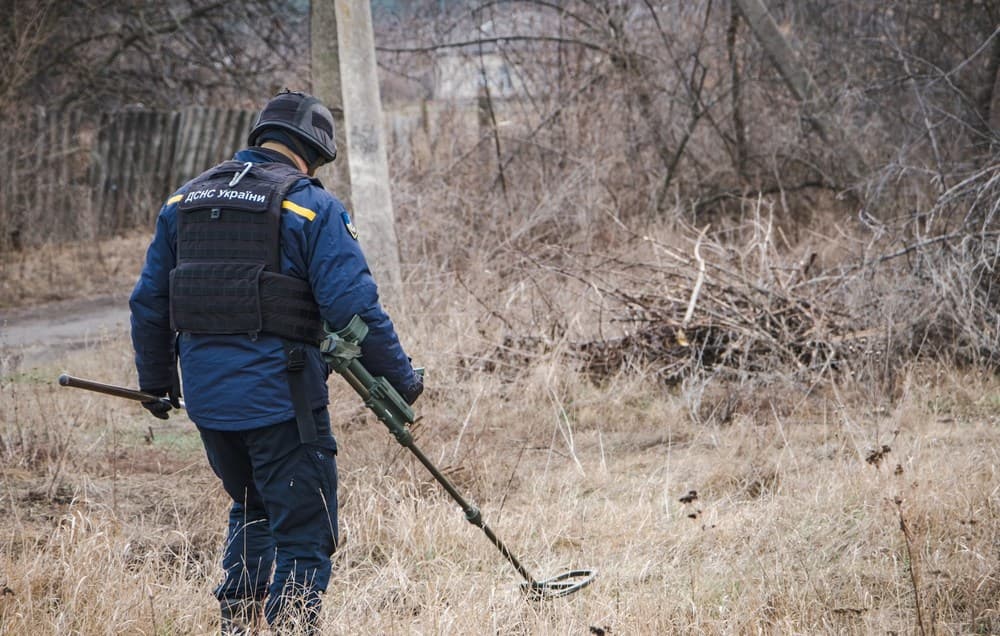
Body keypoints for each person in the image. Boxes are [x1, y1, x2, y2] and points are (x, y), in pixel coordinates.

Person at [129, 89, 423, 634]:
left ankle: (238, 624)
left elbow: (148, 301)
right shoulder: (310, 205)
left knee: (251, 507)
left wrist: (156, 382)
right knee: (305, 531)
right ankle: (289, 628)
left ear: (262, 137)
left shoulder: (183, 202)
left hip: (209, 404)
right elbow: (354, 309)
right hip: (282, 401)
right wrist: (402, 381)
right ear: (314, 152)